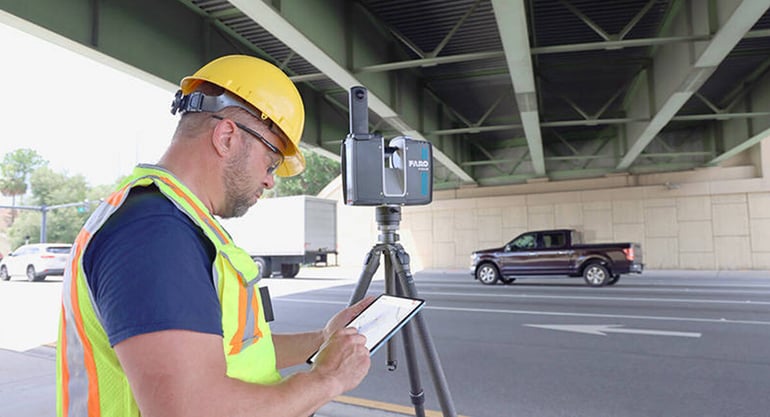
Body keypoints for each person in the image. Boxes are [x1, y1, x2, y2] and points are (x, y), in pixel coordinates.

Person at [56, 55, 373, 417]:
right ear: (226, 137)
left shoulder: (179, 225)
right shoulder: (153, 234)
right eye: (270, 164)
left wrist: (323, 341)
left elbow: (233, 349)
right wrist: (327, 379)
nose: (270, 180)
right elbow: (192, 409)